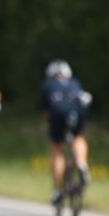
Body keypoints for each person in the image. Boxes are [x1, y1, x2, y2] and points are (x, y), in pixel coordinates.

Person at [40, 59, 90, 205]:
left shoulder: (48, 84)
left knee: (57, 148)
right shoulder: (74, 82)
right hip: (76, 112)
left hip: (57, 113)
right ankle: (81, 164)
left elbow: (46, 112)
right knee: (78, 138)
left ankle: (57, 189)